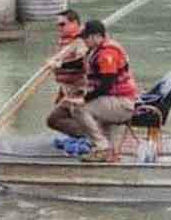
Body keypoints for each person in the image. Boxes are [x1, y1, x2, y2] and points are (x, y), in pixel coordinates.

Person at [45, 20, 139, 161]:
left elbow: (106, 85)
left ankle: (102, 148)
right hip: (104, 99)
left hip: (121, 102)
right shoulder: (94, 50)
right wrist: (58, 64)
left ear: (95, 36)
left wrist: (83, 99)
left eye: (85, 38)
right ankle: (96, 137)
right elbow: (79, 63)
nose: (83, 41)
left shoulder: (108, 53)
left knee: (78, 108)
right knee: (55, 117)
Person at [45, 9, 88, 99]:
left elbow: (82, 63)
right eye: (58, 25)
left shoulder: (82, 41)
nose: (59, 28)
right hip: (66, 89)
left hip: (79, 90)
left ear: (74, 23)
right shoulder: (65, 41)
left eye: (62, 24)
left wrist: (59, 65)